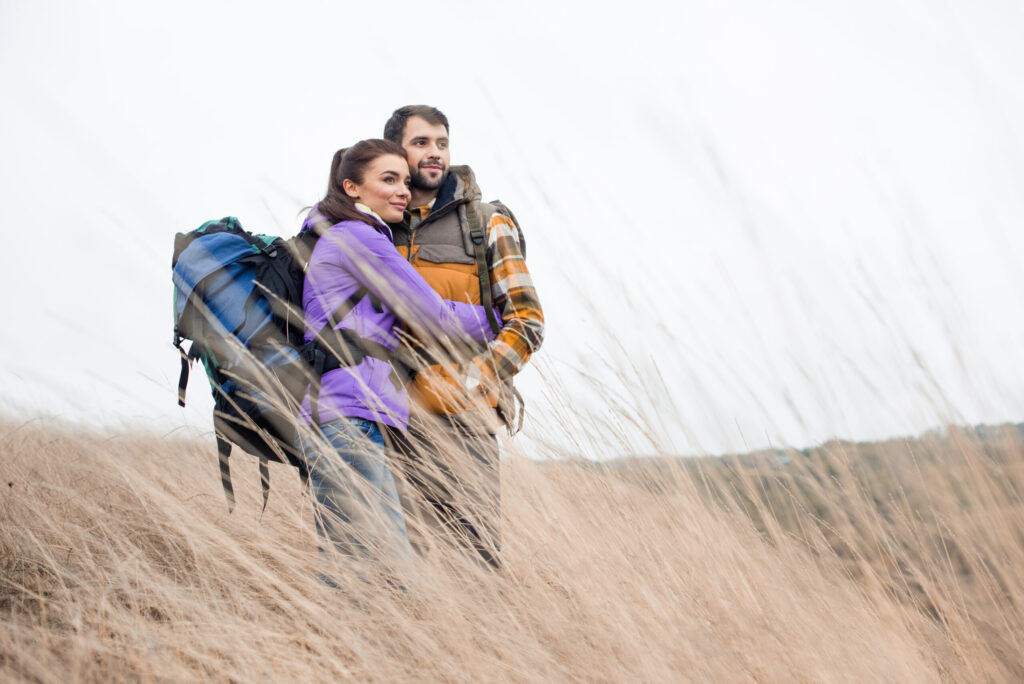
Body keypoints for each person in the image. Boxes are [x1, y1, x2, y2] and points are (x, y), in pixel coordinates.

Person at [295, 138, 499, 585]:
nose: (403, 190)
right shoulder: (359, 238)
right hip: (349, 419)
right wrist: (499, 316)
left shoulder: (338, 235)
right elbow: (436, 317)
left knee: (358, 567)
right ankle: (337, 650)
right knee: (381, 573)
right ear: (351, 187)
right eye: (388, 180)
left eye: (405, 180)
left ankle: (338, 650)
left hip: (345, 418)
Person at [381, 105, 545, 568]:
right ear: (396, 150)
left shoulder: (486, 221)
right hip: (389, 423)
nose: (434, 154)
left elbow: (527, 321)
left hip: (464, 424)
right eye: (421, 143)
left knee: (471, 565)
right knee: (396, 567)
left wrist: (471, 383)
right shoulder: (374, 226)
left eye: (441, 143)